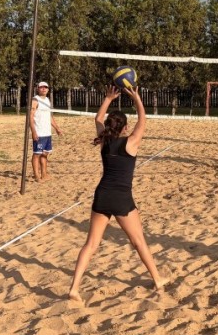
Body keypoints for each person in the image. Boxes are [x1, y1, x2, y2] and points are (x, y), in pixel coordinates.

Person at [68, 85, 165, 302]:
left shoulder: (105, 140)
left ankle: (74, 289)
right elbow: (143, 119)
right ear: (125, 128)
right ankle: (157, 280)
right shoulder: (130, 143)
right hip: (121, 198)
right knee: (139, 241)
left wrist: (109, 98)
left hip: (102, 195)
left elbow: (98, 118)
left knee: (90, 245)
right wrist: (137, 97)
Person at [29, 81, 63, 181]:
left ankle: (44, 174)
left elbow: (49, 116)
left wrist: (57, 128)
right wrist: (33, 132)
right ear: (38, 89)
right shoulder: (35, 100)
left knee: (45, 154)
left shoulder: (47, 100)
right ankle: (36, 175)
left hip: (47, 133)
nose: (43, 89)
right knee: (37, 154)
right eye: (41, 87)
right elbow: (30, 117)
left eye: (45, 87)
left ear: (48, 89)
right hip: (39, 132)